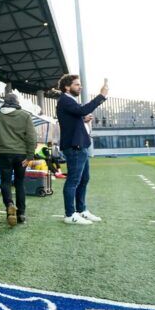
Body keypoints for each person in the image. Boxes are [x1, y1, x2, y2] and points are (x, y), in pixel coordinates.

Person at [56, 74, 108, 225]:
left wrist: (82, 119)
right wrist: (101, 96)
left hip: (80, 145)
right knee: (73, 180)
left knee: (84, 179)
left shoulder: (69, 101)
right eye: (77, 85)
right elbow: (83, 109)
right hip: (74, 147)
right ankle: (70, 214)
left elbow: (76, 116)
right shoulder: (65, 100)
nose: (80, 87)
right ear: (67, 87)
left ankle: (81, 210)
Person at [0, 93, 37, 226]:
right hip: (21, 155)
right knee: (20, 183)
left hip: (3, 154)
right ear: (17, 102)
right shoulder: (25, 115)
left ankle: (9, 205)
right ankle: (21, 214)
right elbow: (31, 137)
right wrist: (30, 156)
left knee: (5, 182)